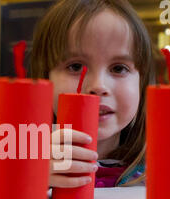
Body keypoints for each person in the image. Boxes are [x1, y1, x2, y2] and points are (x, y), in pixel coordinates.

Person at [31, 0, 154, 188]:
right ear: (44, 78)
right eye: (76, 66)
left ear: (142, 83)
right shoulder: (16, 155)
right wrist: (23, 177)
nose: (98, 85)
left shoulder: (158, 172)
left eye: (118, 68)